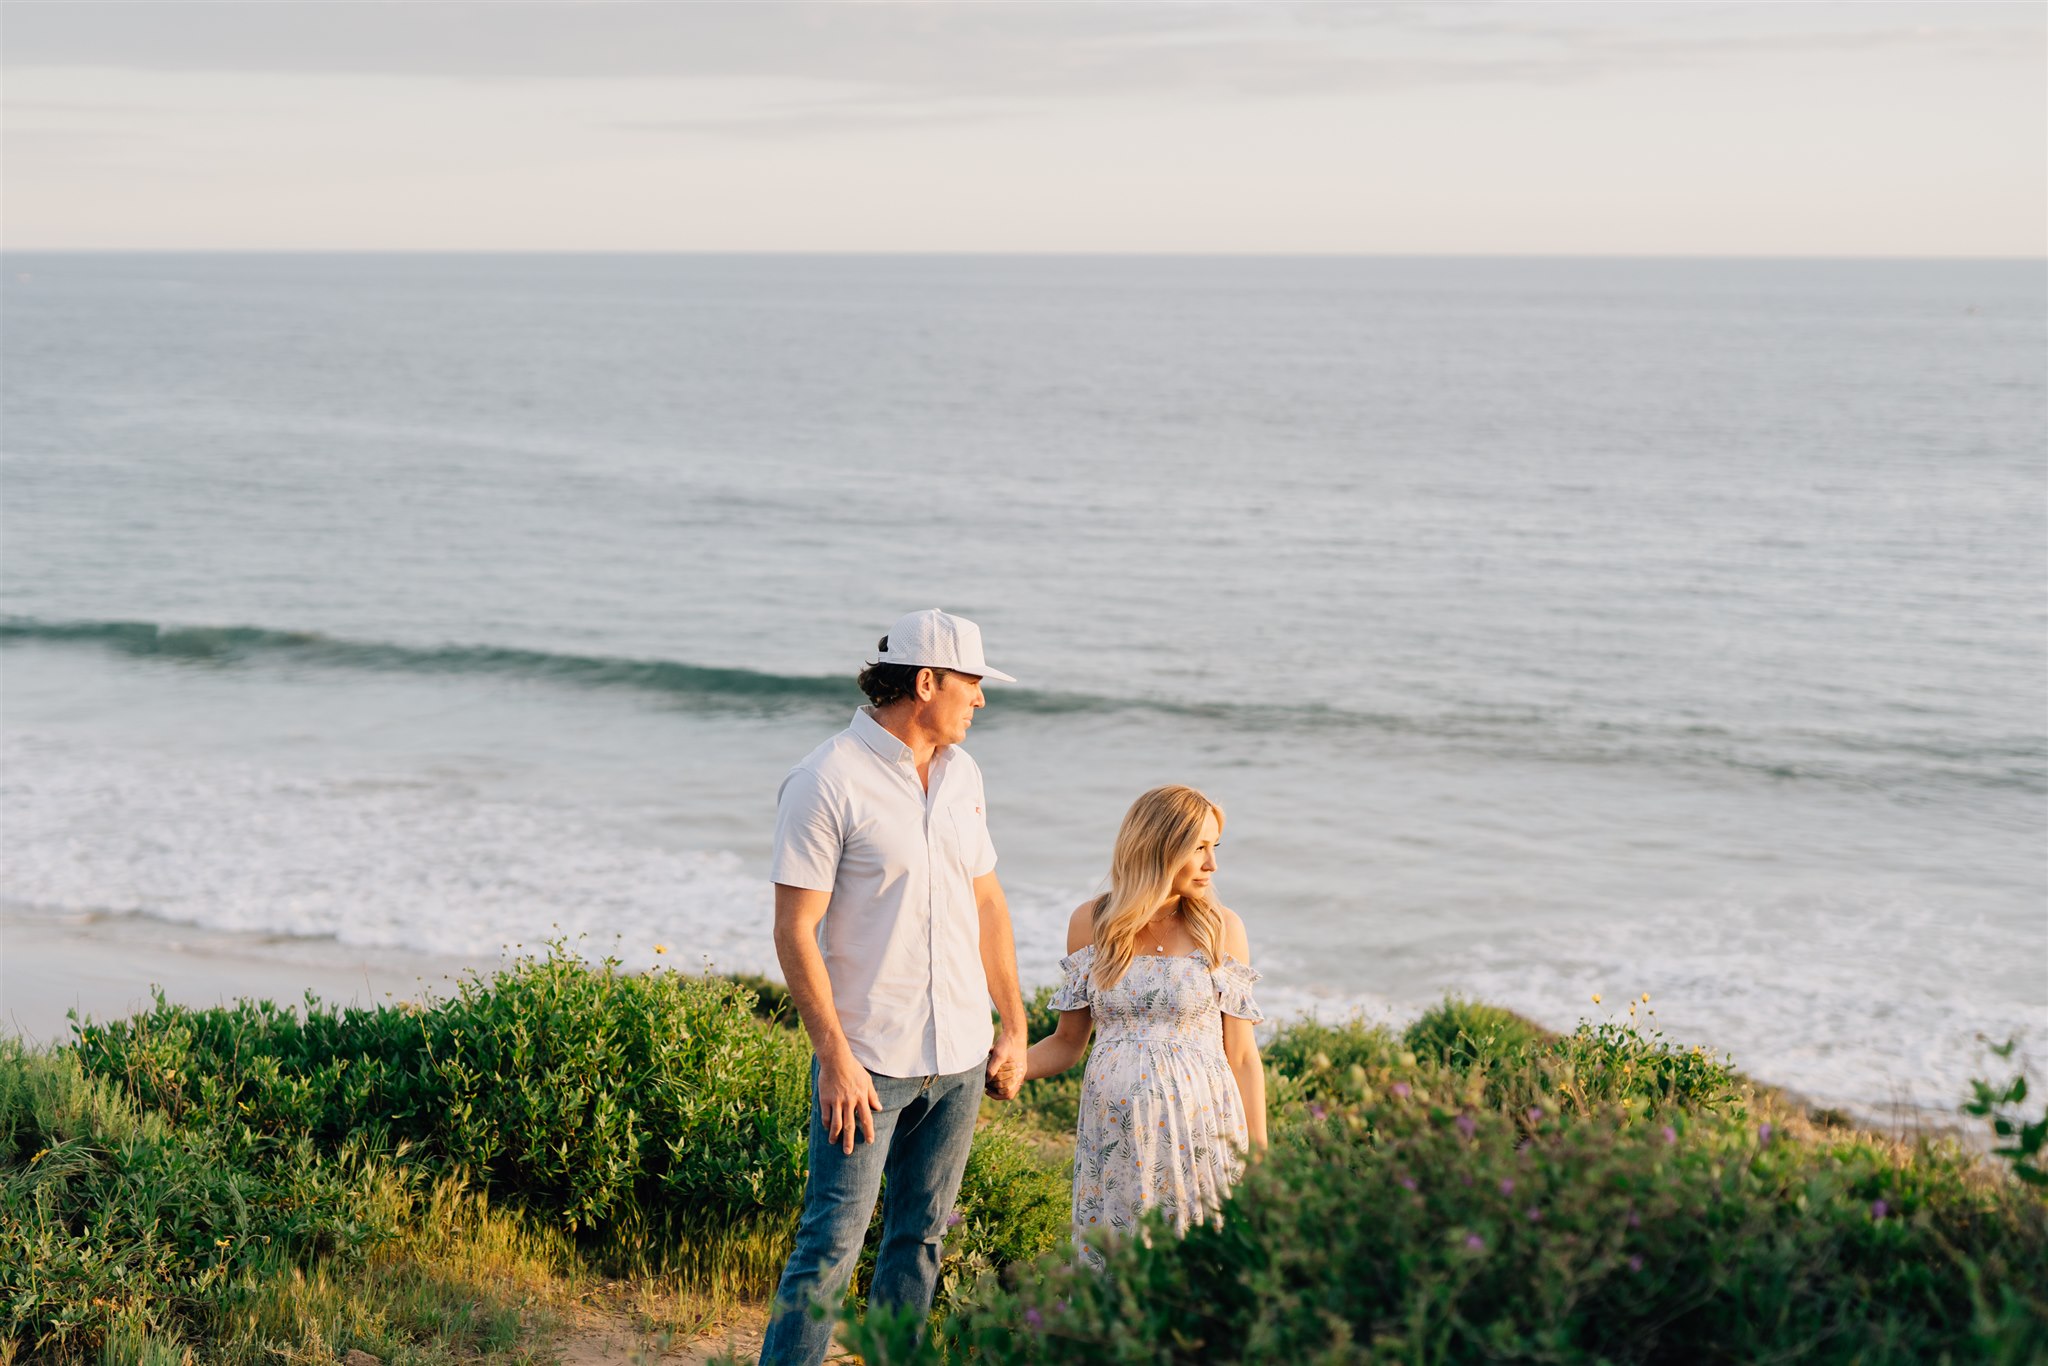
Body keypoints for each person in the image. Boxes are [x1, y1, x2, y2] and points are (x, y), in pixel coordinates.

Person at [758, 609, 1031, 1366]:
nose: (980, 701)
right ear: (925, 682)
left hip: (961, 1057)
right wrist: (835, 1059)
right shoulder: (825, 780)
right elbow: (793, 930)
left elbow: (988, 904)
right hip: (869, 1062)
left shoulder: (963, 774)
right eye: (971, 685)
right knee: (830, 1247)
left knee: (920, 1240)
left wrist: (1012, 1025)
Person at [1022, 784, 1268, 1267]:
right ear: (1159, 846)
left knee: (1197, 1271)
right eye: (1199, 848)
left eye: (1215, 848)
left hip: (1203, 1132)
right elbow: (1067, 1043)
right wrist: (998, 1068)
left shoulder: (1222, 927)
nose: (1212, 864)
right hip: (1115, 1137)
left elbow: (1241, 1055)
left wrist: (1259, 1158)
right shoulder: (1092, 922)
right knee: (1119, 1271)